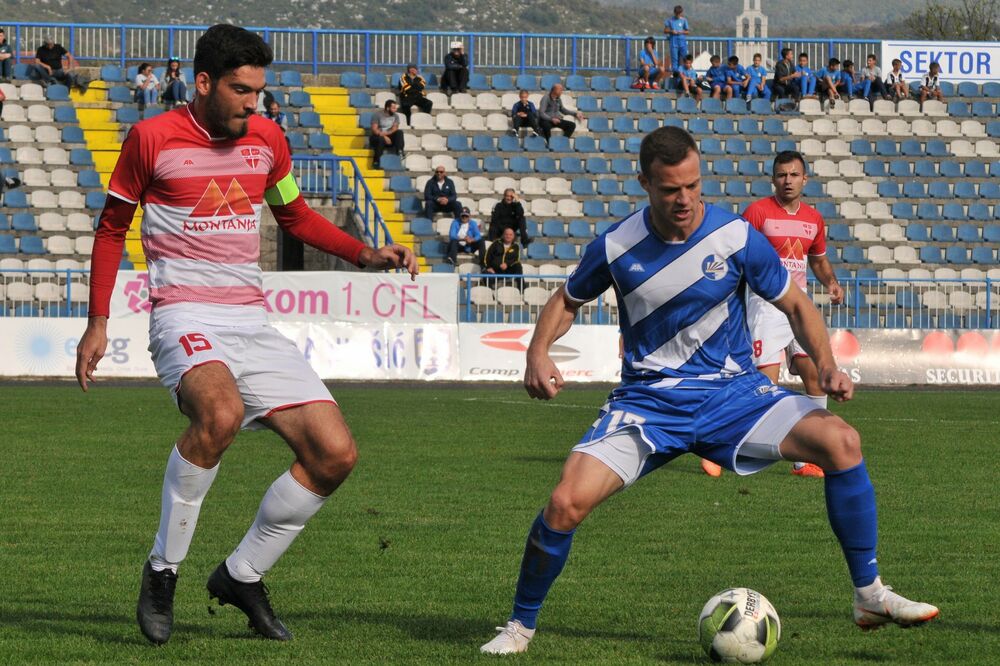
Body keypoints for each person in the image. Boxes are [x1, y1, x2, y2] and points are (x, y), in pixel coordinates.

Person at [479, 126, 939, 656]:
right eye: (671, 189)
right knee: (563, 504)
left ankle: (869, 595)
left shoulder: (737, 237)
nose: (685, 199)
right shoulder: (616, 244)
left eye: (693, 186)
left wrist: (829, 366)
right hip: (648, 404)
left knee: (841, 442)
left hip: (734, 397)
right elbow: (565, 301)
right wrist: (538, 352)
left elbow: (797, 305)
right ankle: (519, 627)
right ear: (645, 183)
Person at [74, 23, 417, 647]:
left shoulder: (267, 139)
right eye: (240, 90)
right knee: (220, 416)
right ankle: (162, 570)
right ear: (203, 83)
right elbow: (109, 230)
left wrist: (363, 254)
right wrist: (98, 322)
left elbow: (294, 214)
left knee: (334, 454)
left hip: (251, 321)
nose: (251, 104)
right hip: (184, 314)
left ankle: (242, 574)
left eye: (257, 91)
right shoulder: (151, 139)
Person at [702, 150, 845, 479]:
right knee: (765, 384)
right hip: (766, 305)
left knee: (814, 378)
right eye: (782, 175)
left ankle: (804, 459)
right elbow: (736, 253)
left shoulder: (813, 219)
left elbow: (818, 260)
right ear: (773, 179)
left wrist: (832, 283)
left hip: (800, 306)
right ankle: (721, 448)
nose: (788, 180)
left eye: (794, 175)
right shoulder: (758, 212)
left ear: (805, 179)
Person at [369, 99, 403, 169]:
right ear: (387, 108)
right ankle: (376, 162)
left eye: (396, 108)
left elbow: (395, 128)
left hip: (389, 135)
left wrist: (387, 134)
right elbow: (374, 130)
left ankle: (400, 152)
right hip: (377, 136)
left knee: (399, 132)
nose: (395, 110)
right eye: (393, 108)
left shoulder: (396, 116)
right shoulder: (377, 115)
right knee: (380, 139)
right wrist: (384, 136)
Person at [663, 5, 689, 75]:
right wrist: (671, 31)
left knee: (684, 58)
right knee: (674, 60)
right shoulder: (670, 20)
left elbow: (687, 31)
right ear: (674, 12)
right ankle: (675, 75)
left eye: (679, 13)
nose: (678, 15)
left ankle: (684, 73)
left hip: (682, 43)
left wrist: (681, 32)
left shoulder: (684, 20)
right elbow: (665, 30)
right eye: (677, 13)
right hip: (673, 43)